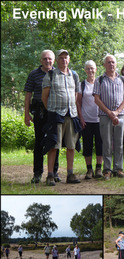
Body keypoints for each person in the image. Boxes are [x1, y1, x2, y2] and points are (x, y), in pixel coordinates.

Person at [42, 49, 81, 186]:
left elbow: (76, 96)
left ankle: (70, 174)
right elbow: (44, 97)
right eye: (61, 58)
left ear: (69, 60)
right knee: (53, 146)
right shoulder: (50, 75)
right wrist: (52, 111)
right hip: (56, 115)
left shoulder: (74, 75)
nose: (64, 60)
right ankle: (50, 175)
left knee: (71, 146)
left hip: (71, 115)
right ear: (57, 60)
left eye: (66, 57)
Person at [24, 50, 60, 184]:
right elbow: (28, 95)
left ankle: (54, 172)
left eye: (50, 59)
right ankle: (37, 173)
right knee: (39, 143)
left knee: (54, 143)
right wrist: (26, 114)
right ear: (41, 61)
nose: (47, 61)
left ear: (54, 60)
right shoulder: (33, 74)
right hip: (39, 112)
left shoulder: (59, 74)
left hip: (55, 112)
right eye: (45, 59)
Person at [93, 54, 124, 180]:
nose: (111, 64)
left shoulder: (123, 80)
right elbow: (97, 99)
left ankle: (118, 169)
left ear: (116, 64)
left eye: (113, 62)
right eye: (108, 62)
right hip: (104, 116)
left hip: (121, 115)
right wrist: (110, 113)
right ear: (104, 65)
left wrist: (117, 112)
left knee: (119, 143)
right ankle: (107, 170)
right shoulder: (99, 80)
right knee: (107, 143)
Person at [76, 60, 103, 179]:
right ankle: (89, 170)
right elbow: (78, 102)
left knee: (100, 145)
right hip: (86, 120)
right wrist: (80, 118)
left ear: (96, 69)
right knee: (87, 146)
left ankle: (98, 168)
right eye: (88, 68)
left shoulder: (101, 83)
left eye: (92, 68)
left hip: (100, 119)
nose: (90, 70)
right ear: (85, 70)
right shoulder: (82, 85)